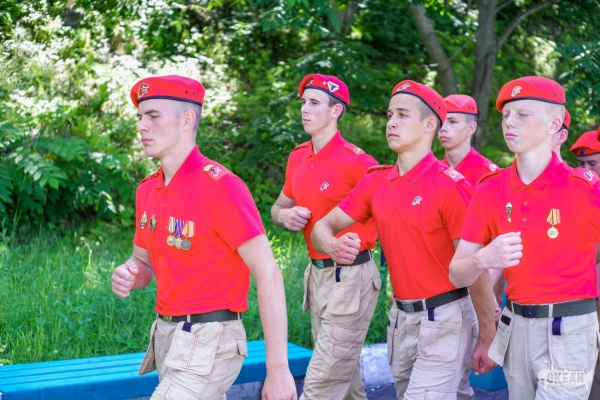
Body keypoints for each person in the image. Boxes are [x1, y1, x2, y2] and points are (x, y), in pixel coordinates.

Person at [111, 75, 296, 400]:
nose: (141, 126)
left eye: (153, 116)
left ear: (187, 120)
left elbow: (268, 272)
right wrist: (130, 273)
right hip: (167, 337)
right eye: (140, 117)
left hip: (212, 338)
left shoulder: (221, 187)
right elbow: (143, 262)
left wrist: (278, 369)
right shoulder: (147, 190)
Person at [311, 80, 497, 399]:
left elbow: (474, 269)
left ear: (429, 125)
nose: (391, 123)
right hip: (400, 318)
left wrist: (488, 336)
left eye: (402, 114)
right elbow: (321, 227)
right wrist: (332, 245)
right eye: (389, 115)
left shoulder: (452, 187)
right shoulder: (375, 181)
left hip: (445, 318)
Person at [449, 76, 600, 399]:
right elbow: (456, 273)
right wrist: (483, 259)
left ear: (554, 124)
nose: (509, 122)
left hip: (569, 329)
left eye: (523, 114)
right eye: (506, 115)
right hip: (514, 327)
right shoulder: (489, 188)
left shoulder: (586, 188)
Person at [270, 74, 380, 400]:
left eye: (314, 103)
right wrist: (285, 216)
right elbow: (277, 208)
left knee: (322, 381)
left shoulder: (359, 163)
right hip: (316, 276)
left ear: (335, 111)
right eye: (304, 102)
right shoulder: (297, 156)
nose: (304, 109)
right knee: (345, 380)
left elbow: (390, 218)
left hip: (352, 277)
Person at [438, 94, 500, 186]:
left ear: (471, 128)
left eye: (452, 122)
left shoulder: (490, 176)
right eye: (441, 122)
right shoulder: (431, 172)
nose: (443, 128)